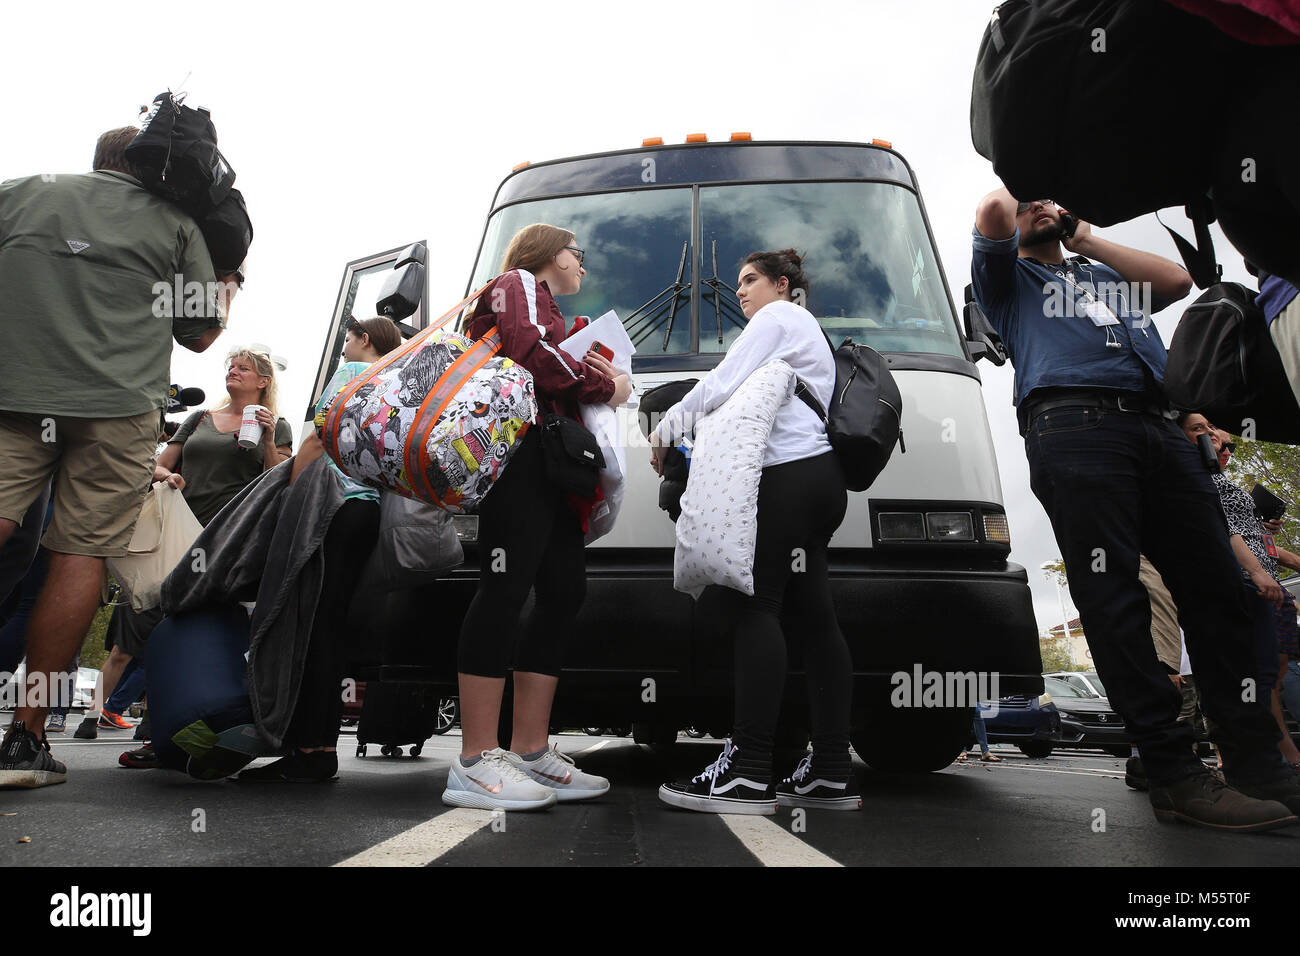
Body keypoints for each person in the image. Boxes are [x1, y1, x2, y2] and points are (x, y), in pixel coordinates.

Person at [970, 187, 1300, 831]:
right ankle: (1173, 772)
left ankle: (1256, 763)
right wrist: (1033, 177)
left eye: (1050, 200)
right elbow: (988, 211)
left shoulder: (1095, 270)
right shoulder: (1005, 276)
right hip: (1074, 423)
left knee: (1217, 591)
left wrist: (1083, 234)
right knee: (1115, 599)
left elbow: (1176, 279)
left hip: (1161, 426)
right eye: (1031, 200)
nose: (1040, 206)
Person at [0, 127, 234, 790]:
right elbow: (200, 333)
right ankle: (25, 740)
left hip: (11, 393)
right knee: (79, 556)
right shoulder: (176, 223)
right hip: (115, 411)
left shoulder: (18, 195)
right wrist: (225, 278)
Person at [652, 249, 859, 814]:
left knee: (755, 608)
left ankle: (746, 770)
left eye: (749, 280)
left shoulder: (779, 318)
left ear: (781, 284)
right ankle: (831, 770)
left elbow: (721, 383)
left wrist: (665, 429)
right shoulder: (806, 330)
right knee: (816, 622)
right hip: (820, 480)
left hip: (786, 478)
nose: (740, 292)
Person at [440, 223, 630, 811]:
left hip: (555, 462)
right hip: (517, 452)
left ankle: (529, 750)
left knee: (563, 590)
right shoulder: (517, 281)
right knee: (503, 587)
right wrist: (603, 384)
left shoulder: (559, 313)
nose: (583, 265)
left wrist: (610, 377)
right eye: (579, 253)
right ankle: (474, 760)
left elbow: (579, 357)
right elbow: (529, 349)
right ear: (549, 253)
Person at [110, 347, 292, 768]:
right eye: (232, 365)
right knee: (161, 625)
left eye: (244, 368)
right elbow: (158, 464)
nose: (235, 370)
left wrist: (267, 438)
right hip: (179, 533)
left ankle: (210, 728)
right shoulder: (200, 419)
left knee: (210, 627)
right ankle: (159, 734)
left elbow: (278, 482)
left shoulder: (275, 426)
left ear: (263, 382)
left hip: (229, 541)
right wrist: (166, 476)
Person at [238, 318, 401, 782]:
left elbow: (316, 439)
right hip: (365, 512)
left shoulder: (353, 373)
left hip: (330, 507)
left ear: (363, 341)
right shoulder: (397, 382)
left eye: (349, 338)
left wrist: (288, 499)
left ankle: (310, 750)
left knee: (308, 625)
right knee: (330, 625)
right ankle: (316, 746)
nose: (345, 346)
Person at [1192, 417, 1300, 769]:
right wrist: (1256, 573)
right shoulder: (1200, 479)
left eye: (1227, 445)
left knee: (1272, 673)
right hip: (1245, 581)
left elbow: (1244, 531)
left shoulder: (1224, 481)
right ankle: (1259, 758)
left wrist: (1264, 527)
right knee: (1255, 674)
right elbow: (1225, 529)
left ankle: (1272, 756)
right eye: (1206, 435)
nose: (1221, 447)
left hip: (1263, 582)